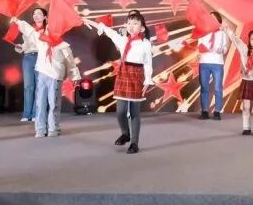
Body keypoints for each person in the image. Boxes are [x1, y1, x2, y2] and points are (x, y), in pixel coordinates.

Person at [88, 10, 154, 154]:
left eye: (135, 23)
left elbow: (148, 62)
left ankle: (134, 143)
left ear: (142, 28)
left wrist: (148, 79)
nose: (131, 26)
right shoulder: (122, 40)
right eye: (129, 23)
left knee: (135, 112)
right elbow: (108, 31)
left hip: (137, 75)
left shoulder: (145, 43)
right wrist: (91, 22)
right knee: (120, 111)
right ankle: (125, 133)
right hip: (123, 73)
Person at [11, 13, 80, 138]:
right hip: (42, 74)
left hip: (56, 76)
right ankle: (40, 129)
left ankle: (53, 128)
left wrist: (74, 77)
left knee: (54, 103)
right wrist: (17, 21)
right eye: (49, 28)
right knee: (40, 103)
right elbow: (30, 31)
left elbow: (70, 63)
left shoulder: (63, 46)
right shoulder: (41, 41)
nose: (50, 30)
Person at [14, 7, 47, 123]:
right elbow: (26, 44)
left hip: (41, 57)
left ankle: (35, 113)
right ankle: (26, 113)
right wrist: (21, 47)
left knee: (39, 86)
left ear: (45, 17)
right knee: (28, 86)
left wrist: (18, 22)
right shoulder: (29, 29)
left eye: (39, 13)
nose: (36, 16)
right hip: (28, 57)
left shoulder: (47, 30)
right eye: (34, 14)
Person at [197, 11, 229, 120]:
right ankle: (205, 111)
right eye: (210, 18)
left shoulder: (222, 33)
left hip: (217, 63)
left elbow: (225, 48)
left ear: (218, 20)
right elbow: (199, 46)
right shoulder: (202, 32)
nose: (212, 20)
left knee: (218, 88)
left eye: (214, 18)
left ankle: (217, 111)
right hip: (204, 62)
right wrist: (203, 49)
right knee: (204, 87)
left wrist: (222, 50)